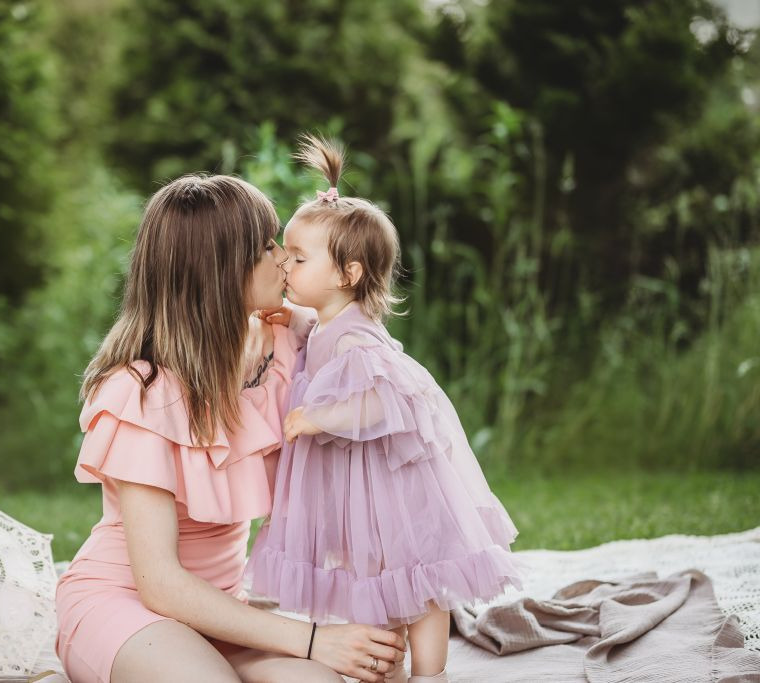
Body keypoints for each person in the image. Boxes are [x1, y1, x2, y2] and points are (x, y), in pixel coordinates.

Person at [55, 173, 406, 683]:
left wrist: (376, 621)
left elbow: (367, 440)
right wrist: (312, 640)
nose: (284, 259)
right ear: (221, 270)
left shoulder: (288, 348)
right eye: (267, 246)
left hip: (220, 612)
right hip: (125, 603)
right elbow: (159, 584)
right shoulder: (143, 391)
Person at [245, 136, 524, 682]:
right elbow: (302, 332)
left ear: (347, 275)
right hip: (357, 490)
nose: (286, 265)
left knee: (416, 577)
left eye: (299, 259)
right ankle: (385, 665)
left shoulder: (358, 340)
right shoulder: (322, 325)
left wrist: (318, 417)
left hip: (392, 488)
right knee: (371, 577)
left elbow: (385, 400)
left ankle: (430, 673)